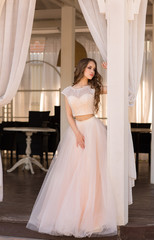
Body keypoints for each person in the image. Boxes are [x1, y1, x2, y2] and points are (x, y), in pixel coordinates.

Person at [26, 58, 117, 238]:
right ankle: (74, 215)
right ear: (82, 68)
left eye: (94, 69)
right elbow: (68, 115)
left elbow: (116, 88)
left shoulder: (93, 88)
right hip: (76, 131)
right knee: (73, 172)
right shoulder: (68, 91)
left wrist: (112, 70)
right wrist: (77, 134)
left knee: (93, 171)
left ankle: (93, 217)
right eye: (89, 67)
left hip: (93, 129)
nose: (92, 71)